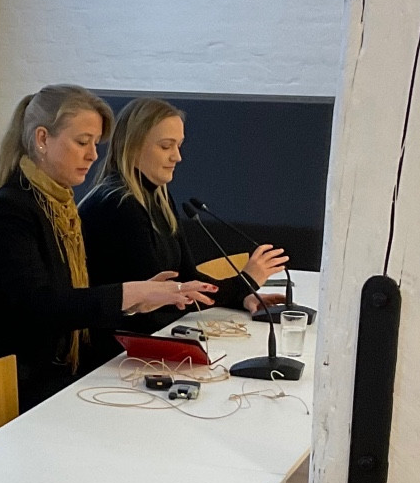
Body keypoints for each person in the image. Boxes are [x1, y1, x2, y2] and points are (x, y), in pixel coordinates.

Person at [0, 85, 218, 411]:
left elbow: (69, 304)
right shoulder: (9, 211)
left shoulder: (58, 206)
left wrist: (135, 302)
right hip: (0, 383)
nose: (93, 155)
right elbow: (41, 308)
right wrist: (131, 294)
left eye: (95, 144)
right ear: (42, 139)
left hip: (46, 371)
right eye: (82, 142)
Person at [79, 96, 290, 362]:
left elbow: (187, 279)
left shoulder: (158, 197)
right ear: (132, 147)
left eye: (178, 145)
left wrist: (243, 296)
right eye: (166, 146)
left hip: (148, 341)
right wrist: (244, 281)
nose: (177, 157)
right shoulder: (119, 206)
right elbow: (166, 298)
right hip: (114, 354)